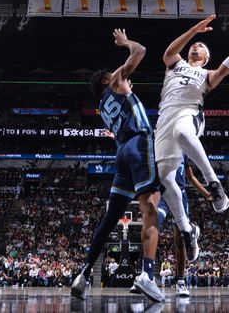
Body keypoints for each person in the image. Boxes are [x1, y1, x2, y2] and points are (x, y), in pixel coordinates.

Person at [155, 15, 229, 259]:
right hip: (163, 118)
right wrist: (194, 30)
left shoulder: (207, 75)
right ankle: (187, 229)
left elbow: (226, 68)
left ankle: (214, 183)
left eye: (202, 45)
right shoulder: (175, 64)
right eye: (195, 44)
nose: (196, 45)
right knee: (165, 179)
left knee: (183, 132)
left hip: (189, 112)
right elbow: (170, 51)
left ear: (207, 58)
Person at [71, 29, 163, 302]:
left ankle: (84, 274)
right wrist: (126, 43)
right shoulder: (114, 83)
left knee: (110, 219)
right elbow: (141, 51)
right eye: (115, 75)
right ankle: (148, 275)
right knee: (150, 209)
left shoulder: (103, 107)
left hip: (121, 153)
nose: (123, 77)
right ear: (105, 80)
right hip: (138, 143)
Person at [132, 157, 212, 298]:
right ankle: (144, 275)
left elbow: (191, 177)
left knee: (180, 239)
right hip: (161, 196)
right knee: (151, 227)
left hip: (179, 197)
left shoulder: (182, 150)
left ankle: (180, 281)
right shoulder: (158, 147)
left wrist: (206, 194)